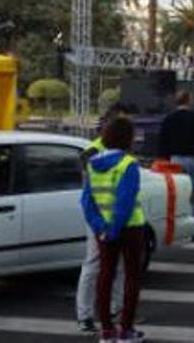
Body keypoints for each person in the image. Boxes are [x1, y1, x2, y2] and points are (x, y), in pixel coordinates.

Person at [82, 117, 147, 343]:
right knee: (131, 277)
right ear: (127, 138)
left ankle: (106, 331)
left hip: (103, 229)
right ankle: (126, 329)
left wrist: (101, 227)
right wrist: (114, 228)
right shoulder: (128, 164)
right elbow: (125, 201)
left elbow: (87, 201)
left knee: (105, 275)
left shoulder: (92, 164)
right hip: (130, 228)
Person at [75, 105, 130, 333]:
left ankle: (117, 309)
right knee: (94, 264)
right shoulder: (91, 153)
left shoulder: (121, 152)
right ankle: (85, 315)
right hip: (99, 219)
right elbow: (88, 194)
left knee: (117, 266)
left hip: (118, 217)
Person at [159, 90, 194, 240]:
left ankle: (179, 228)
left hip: (176, 160)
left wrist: (166, 158)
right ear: (189, 100)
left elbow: (162, 141)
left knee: (179, 196)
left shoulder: (169, 119)